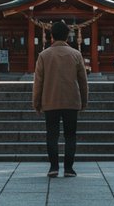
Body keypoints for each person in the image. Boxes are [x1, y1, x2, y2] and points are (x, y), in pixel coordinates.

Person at [33, 21, 88, 178]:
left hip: (50, 100)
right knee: (70, 135)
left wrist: (36, 102)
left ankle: (54, 167)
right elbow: (83, 81)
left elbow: (38, 82)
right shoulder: (76, 54)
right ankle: (69, 169)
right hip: (71, 100)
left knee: (52, 135)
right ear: (67, 36)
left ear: (51, 36)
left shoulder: (44, 55)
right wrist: (84, 100)